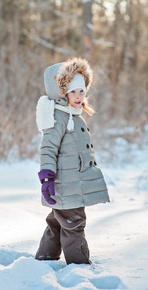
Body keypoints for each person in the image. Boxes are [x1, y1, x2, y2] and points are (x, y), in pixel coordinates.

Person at [35, 57, 110, 265]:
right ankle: (79, 266)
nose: (78, 97)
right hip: (67, 185)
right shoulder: (58, 117)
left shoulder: (74, 115)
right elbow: (48, 148)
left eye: (81, 91)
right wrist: (47, 177)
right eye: (72, 92)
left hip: (71, 184)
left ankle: (46, 257)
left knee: (57, 222)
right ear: (62, 93)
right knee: (74, 223)